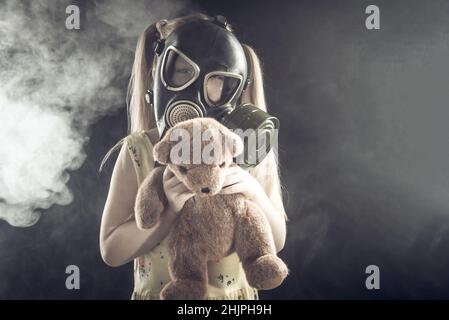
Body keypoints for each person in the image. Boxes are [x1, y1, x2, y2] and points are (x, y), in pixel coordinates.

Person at [99, 13, 288, 300]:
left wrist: (253, 192)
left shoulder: (246, 147)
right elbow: (111, 251)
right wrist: (168, 211)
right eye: (182, 71)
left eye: (216, 78)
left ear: (230, 86)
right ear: (156, 73)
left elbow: (276, 240)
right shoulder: (140, 151)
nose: (194, 90)